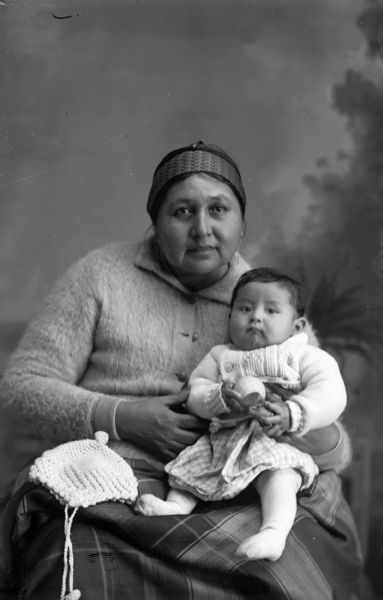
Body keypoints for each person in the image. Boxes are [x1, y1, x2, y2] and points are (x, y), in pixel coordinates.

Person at [0, 141, 362, 600]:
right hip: (115, 476)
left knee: (289, 571)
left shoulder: (266, 305)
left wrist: (289, 422)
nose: (203, 230)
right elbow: (20, 389)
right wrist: (122, 416)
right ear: (155, 220)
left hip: (241, 484)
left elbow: (334, 442)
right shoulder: (100, 276)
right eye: (183, 212)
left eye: (218, 209)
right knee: (79, 574)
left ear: (242, 222)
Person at [136, 267, 347, 563]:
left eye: (271, 310)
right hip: (223, 441)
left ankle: (273, 533)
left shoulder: (301, 355)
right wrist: (217, 397)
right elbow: (195, 390)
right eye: (245, 308)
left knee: (281, 475)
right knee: (189, 469)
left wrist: (294, 413)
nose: (255, 316)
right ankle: (176, 507)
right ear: (230, 316)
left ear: (297, 327)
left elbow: (332, 392)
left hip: (272, 440)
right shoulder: (221, 356)